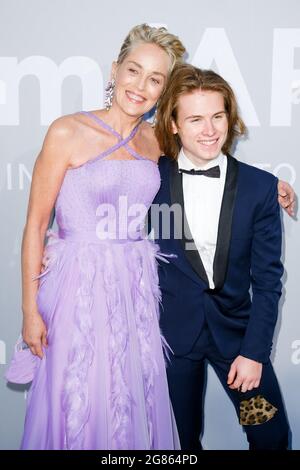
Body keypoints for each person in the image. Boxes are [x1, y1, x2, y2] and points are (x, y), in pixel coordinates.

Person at [5, 24, 186, 450]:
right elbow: (35, 225)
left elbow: (210, 158)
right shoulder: (68, 131)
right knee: (76, 394)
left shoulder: (158, 139)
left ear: (164, 90)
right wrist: (30, 311)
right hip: (74, 287)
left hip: (132, 288)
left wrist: (272, 187)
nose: (140, 86)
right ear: (114, 70)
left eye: (155, 79)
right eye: (134, 71)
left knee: (128, 395)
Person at [152, 64, 291, 450]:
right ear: (174, 124)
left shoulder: (259, 188)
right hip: (171, 341)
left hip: (238, 341)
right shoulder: (150, 180)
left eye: (217, 116)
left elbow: (267, 281)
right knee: (178, 444)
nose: (210, 130)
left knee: (269, 436)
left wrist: (253, 352)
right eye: (195, 119)